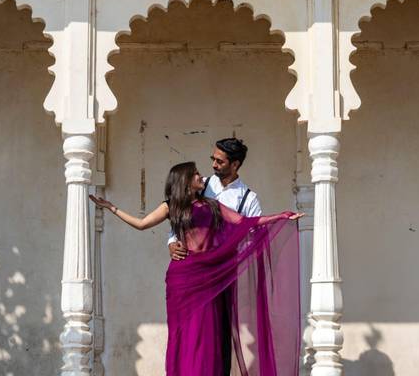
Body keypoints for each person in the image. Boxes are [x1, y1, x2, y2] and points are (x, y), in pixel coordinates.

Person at [89, 161, 302, 376]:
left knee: (207, 333)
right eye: (196, 174)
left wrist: (280, 217)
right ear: (185, 180)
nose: (201, 177)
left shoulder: (212, 205)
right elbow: (142, 224)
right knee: (183, 333)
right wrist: (111, 208)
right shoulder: (171, 206)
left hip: (208, 276)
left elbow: (244, 222)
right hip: (182, 278)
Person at [168, 138, 261, 261]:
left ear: (235, 164)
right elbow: (179, 212)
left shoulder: (249, 199)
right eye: (213, 159)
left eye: (220, 161)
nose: (214, 165)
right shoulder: (201, 185)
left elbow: (254, 236)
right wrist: (172, 241)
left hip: (224, 268)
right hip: (193, 263)